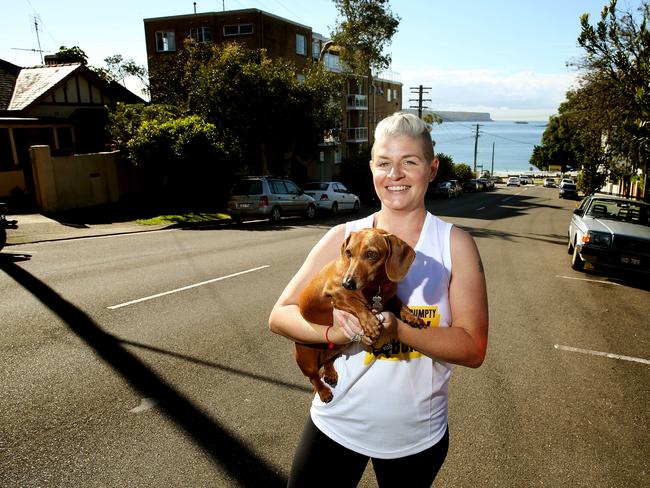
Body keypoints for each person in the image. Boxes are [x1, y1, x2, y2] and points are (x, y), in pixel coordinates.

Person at [269, 112, 488, 487]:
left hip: (416, 436)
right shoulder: (345, 235)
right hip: (337, 422)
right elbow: (279, 316)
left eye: (410, 162)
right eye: (384, 163)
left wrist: (399, 329)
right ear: (372, 168)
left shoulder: (455, 245)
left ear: (432, 169)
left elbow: (473, 348)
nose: (395, 175)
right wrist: (334, 336)